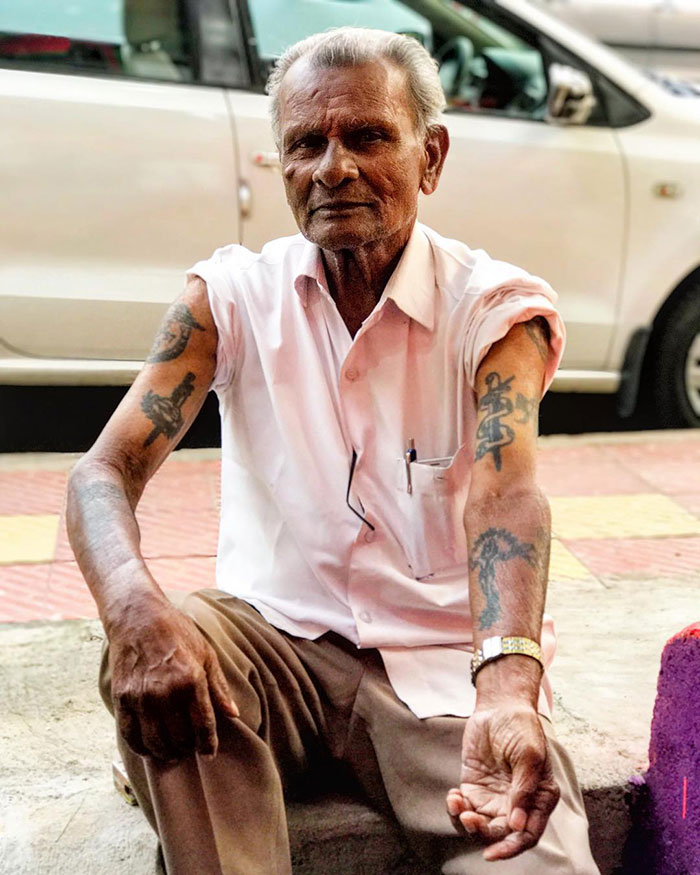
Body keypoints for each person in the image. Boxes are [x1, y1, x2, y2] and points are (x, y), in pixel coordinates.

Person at [66, 27, 599, 875]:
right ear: (280, 165)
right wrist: (132, 606)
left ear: (431, 156)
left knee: (536, 858)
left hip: (438, 685)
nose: (333, 168)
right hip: (268, 648)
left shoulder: (496, 313)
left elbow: (505, 495)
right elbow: (104, 469)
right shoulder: (229, 296)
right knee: (172, 667)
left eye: (367, 136)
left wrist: (507, 687)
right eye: (306, 144)